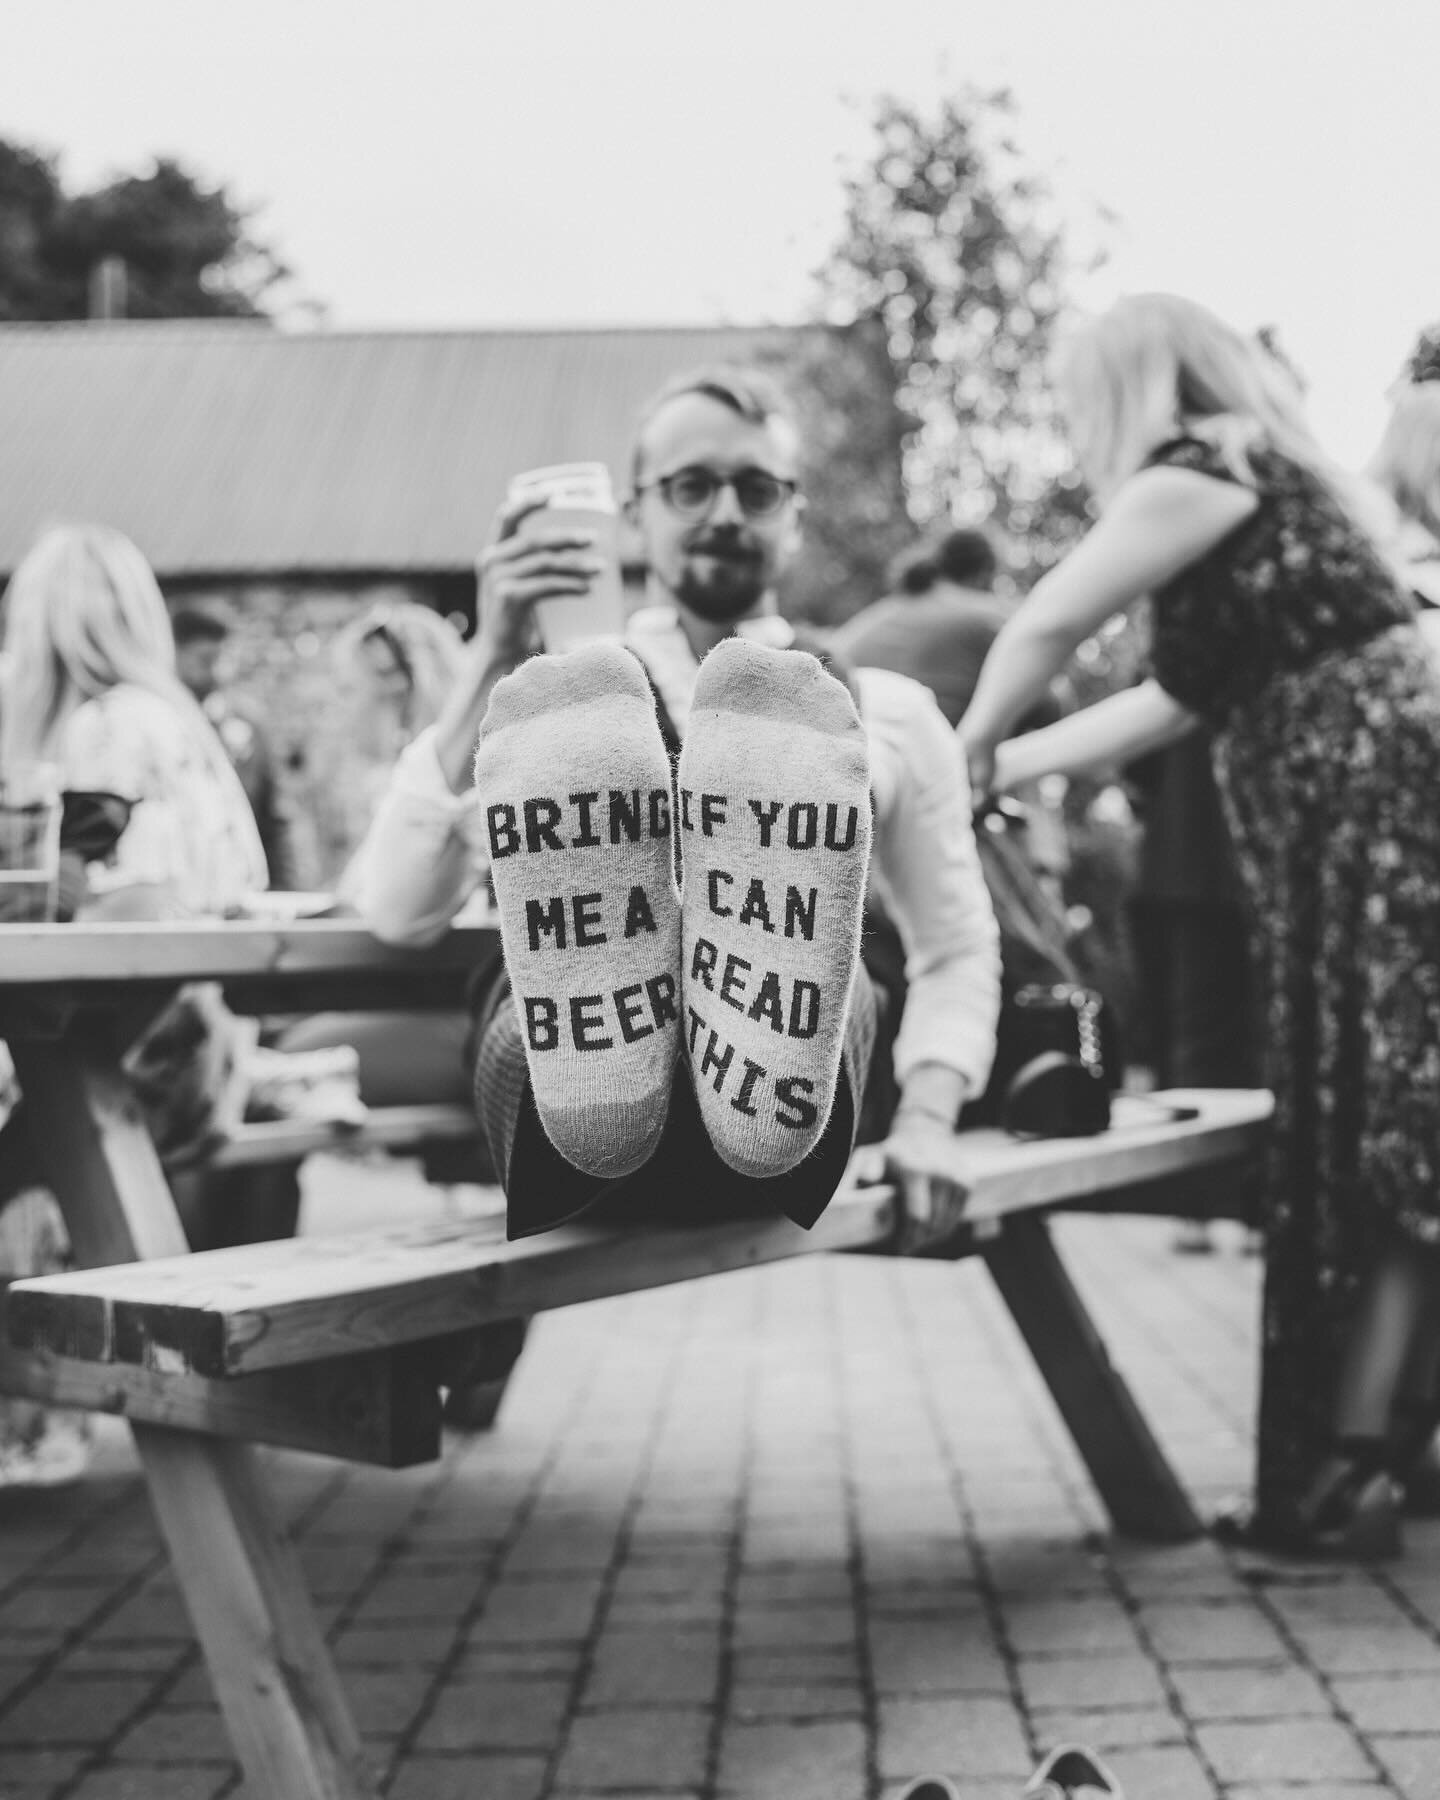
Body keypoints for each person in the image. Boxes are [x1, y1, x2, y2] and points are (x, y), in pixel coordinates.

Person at [958, 292, 1440, 1559]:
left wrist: (960, 748)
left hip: (1372, 831)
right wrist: (998, 774)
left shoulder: (1202, 467)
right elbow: (1170, 697)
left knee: (1373, 1130)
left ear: (1135, 384)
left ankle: (1350, 1468)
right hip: (1363, 832)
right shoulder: (1265, 493)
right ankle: (1380, 1449)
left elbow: (1051, 620)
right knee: (1380, 1128)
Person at [354, 365, 1001, 1244]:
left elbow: (956, 944)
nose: (725, 513)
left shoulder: (885, 712)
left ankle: (724, 1011)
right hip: (576, 1146)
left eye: (756, 489)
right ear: (634, 512)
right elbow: (394, 912)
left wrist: (929, 1122)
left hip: (777, 1140)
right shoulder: (546, 710)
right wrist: (492, 659)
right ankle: (629, 1012)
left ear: (795, 515)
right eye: (691, 486)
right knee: (546, 1011)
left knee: (824, 991)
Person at [0, 524, 269, 1483]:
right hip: (207, 1052)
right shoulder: (178, 721)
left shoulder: (96, 733)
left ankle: (36, 1419)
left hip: (140, 1058)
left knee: (23, 1135)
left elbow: (109, 923)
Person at [1125, 730, 1260, 1253]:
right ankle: (1236, 1207)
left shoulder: (1179, 663)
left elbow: (1139, 765)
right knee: (1243, 1043)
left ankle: (1204, 1207)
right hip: (1241, 872)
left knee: (1187, 1044)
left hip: (1176, 868)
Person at [172, 600, 301, 892]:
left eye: (222, 659)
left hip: (244, 886)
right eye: (204, 660)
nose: (216, 671)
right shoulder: (157, 722)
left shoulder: (248, 722)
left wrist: (284, 891)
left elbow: (275, 817)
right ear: (175, 654)